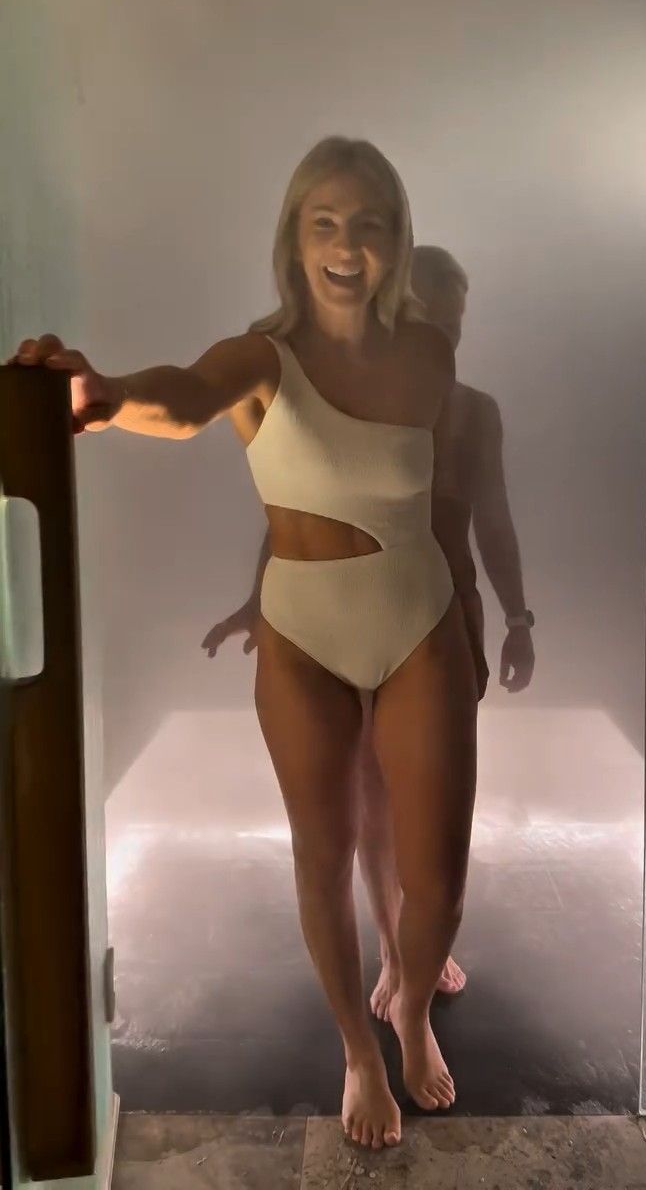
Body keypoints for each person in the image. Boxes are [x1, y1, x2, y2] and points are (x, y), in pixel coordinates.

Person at [10, 138, 488, 1150]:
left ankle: (409, 1006)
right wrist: (100, 395)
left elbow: (439, 502)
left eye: (369, 224)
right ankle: (359, 1051)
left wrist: (486, 618)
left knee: (439, 875)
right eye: (326, 223)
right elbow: (182, 397)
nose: (347, 246)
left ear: (398, 239)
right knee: (323, 854)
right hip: (304, 631)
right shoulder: (260, 357)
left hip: (421, 616)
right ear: (295, 240)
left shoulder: (429, 353)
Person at [201, 244, 535, 1022]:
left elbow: (494, 519)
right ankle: (392, 946)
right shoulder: (348, 401)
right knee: (370, 795)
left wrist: (518, 618)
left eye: (457, 317)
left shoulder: (474, 411)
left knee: (428, 803)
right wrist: (256, 601)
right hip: (350, 611)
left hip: (444, 613)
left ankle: (418, 947)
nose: (448, 330)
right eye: (434, 315)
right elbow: (300, 515)